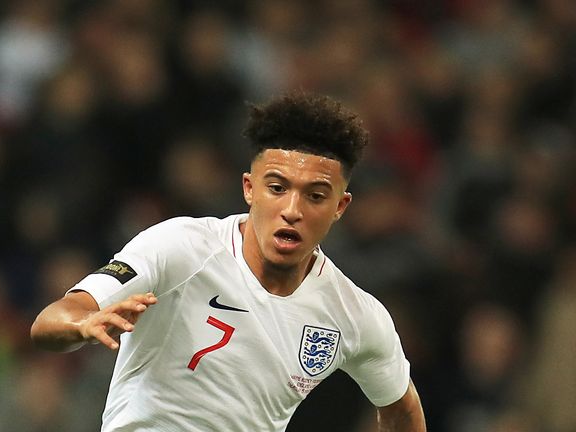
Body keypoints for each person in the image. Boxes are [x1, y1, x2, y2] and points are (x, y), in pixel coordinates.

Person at [31, 92, 427, 431]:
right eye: (276, 188)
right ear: (249, 189)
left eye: (316, 196)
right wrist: (83, 323)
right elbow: (50, 321)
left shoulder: (353, 315)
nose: (292, 210)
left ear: (340, 207)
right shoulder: (183, 247)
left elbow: (402, 407)